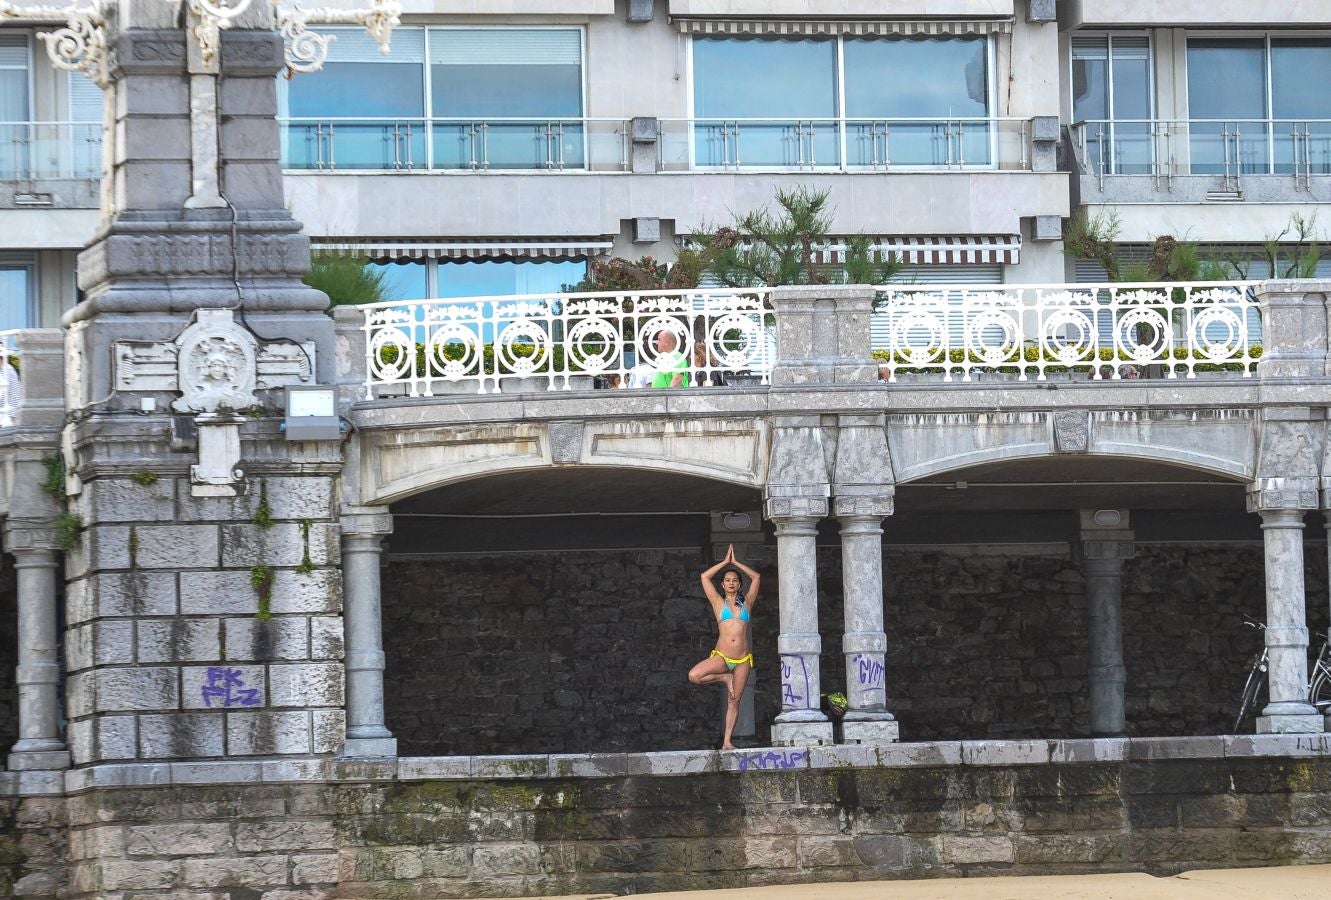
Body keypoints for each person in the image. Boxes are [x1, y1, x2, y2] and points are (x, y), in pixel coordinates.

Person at [688, 543, 761, 750]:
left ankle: (727, 741)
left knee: (734, 700)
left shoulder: (747, 602)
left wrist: (736, 562)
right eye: (727, 580)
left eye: (735, 580)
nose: (731, 583)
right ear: (722, 584)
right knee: (694, 675)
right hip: (722, 656)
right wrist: (724, 563)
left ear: (739, 584)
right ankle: (724, 677)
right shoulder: (718, 603)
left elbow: (756, 578)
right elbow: (704, 577)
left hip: (742, 660)